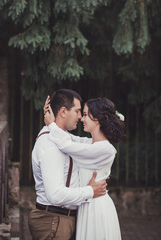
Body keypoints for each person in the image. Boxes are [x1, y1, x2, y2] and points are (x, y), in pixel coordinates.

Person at [28, 89, 107, 240]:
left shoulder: (62, 138)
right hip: (53, 221)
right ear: (63, 111)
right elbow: (56, 195)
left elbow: (93, 144)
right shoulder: (50, 144)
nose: (80, 116)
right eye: (78, 111)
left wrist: (102, 122)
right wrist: (90, 191)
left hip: (60, 220)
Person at [44, 96, 125, 240]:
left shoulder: (106, 149)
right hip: (86, 205)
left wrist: (51, 125)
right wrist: (54, 119)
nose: (82, 118)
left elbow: (67, 145)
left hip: (97, 208)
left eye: (86, 114)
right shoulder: (89, 144)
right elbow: (68, 139)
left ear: (99, 118)